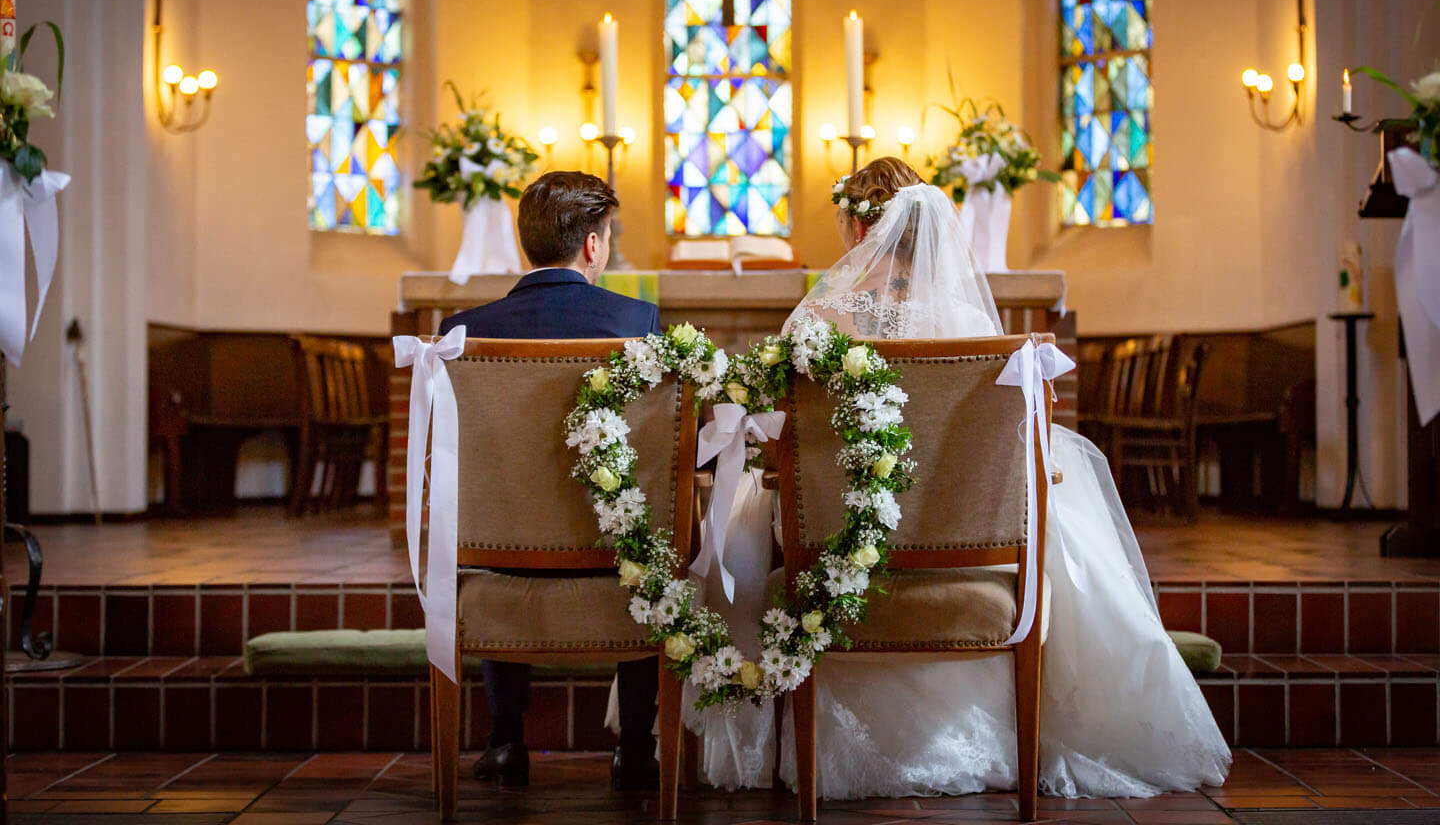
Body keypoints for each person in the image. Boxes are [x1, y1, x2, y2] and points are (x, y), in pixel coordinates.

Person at [685, 157, 1231, 799]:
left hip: (844, 547)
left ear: (857, 231)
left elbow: (794, 454)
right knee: (1058, 500)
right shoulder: (970, 325)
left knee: (746, 522)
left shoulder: (817, 323)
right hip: (961, 536)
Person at [439, 170, 662, 790]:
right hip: (607, 552)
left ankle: (507, 741)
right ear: (592, 245)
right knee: (647, 531)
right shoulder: (636, 319)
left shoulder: (464, 329)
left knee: (505, 517)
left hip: (501, 552)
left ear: (527, 243)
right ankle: (636, 749)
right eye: (608, 235)